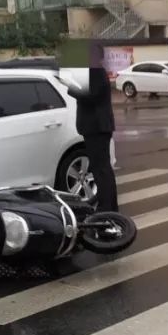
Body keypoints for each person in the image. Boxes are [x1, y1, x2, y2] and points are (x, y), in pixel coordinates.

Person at [58, 43, 119, 212]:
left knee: (102, 169)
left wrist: (70, 86)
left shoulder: (96, 71)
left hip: (97, 127)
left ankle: (108, 207)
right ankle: (109, 205)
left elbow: (89, 96)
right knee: (102, 168)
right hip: (96, 127)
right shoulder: (95, 71)